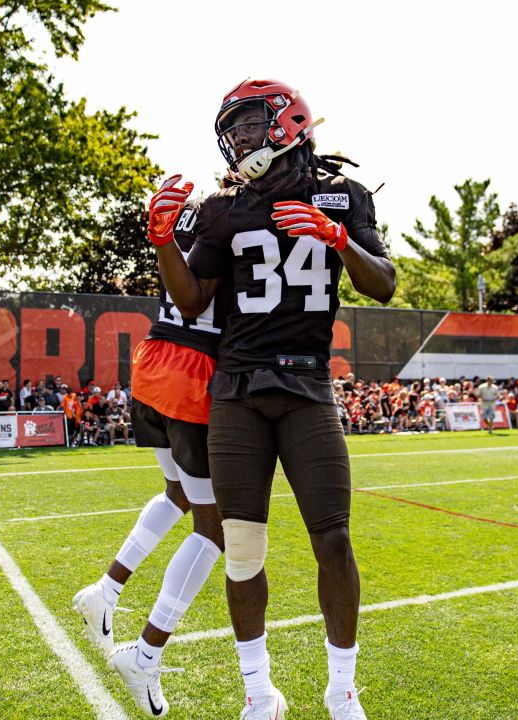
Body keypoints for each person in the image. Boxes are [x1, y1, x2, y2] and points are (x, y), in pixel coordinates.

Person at [155, 78, 395, 719]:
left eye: (248, 122)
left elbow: (385, 285)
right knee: (242, 546)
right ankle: (259, 693)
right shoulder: (223, 207)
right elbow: (191, 300)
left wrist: (337, 238)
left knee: (334, 540)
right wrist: (162, 245)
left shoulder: (343, 197)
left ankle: (342, 688)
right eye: (228, 128)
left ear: (288, 121)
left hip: (308, 388)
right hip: (237, 391)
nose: (236, 137)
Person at [73, 193, 234, 718]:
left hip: (153, 360)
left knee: (177, 494)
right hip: (192, 370)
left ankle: (106, 589)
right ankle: (146, 653)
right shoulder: (235, 214)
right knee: (215, 529)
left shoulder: (193, 212)